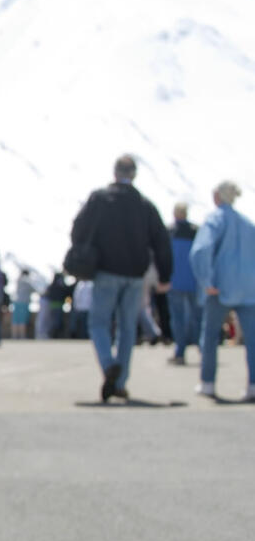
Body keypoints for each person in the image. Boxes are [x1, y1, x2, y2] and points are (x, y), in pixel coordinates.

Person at [70, 154, 172, 402]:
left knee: (99, 323)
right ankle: (120, 381)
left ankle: (108, 366)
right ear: (134, 175)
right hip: (135, 274)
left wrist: (85, 251)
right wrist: (165, 275)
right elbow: (162, 241)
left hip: (106, 271)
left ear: (115, 173)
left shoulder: (100, 199)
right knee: (128, 328)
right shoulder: (144, 204)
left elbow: (77, 228)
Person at [189, 180, 255, 401]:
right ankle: (253, 385)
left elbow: (200, 250)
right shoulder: (247, 224)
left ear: (218, 196)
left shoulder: (216, 219)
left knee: (210, 335)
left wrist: (206, 280)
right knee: (253, 339)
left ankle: (208, 382)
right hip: (248, 289)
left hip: (220, 287)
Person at [166, 203, 201, 365]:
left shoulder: (169, 231)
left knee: (178, 318)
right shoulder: (196, 231)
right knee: (197, 317)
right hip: (194, 281)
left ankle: (180, 352)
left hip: (175, 281)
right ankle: (203, 349)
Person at [12, 270, 35, 339]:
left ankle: (14, 336)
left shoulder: (18, 280)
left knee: (15, 320)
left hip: (16, 301)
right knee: (22, 321)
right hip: (24, 302)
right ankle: (22, 336)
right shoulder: (27, 281)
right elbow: (33, 289)